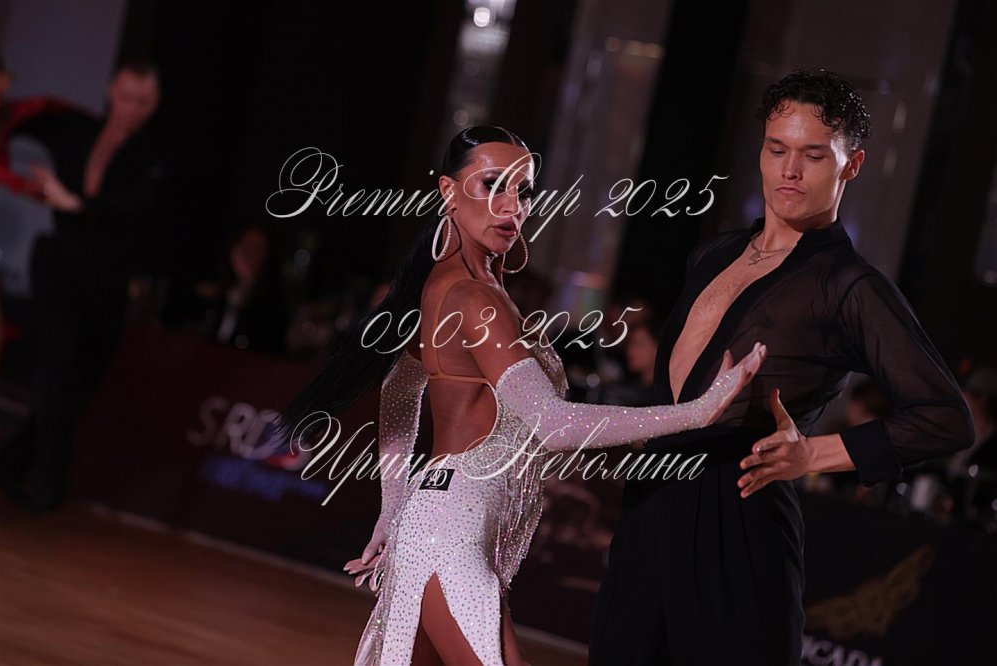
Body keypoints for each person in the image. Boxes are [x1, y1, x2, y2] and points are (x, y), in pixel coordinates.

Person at [280, 126, 767, 666]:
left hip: (446, 525)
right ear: (448, 191)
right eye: (492, 185)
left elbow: (399, 392)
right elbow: (551, 424)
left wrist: (392, 514)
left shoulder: (456, 287)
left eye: (524, 190)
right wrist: (697, 412)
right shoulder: (472, 299)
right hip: (448, 533)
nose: (512, 206)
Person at [588, 69, 975, 665]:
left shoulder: (849, 287)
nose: (790, 170)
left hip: (740, 517)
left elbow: (945, 417)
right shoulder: (714, 252)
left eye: (813, 155)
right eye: (777, 149)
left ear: (851, 165)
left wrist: (812, 455)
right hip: (651, 506)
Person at [0, 60, 163, 512]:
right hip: (60, 264)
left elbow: (133, 207)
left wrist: (77, 203)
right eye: (126, 97)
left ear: (154, 105)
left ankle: (11, 466)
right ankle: (47, 484)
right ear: (111, 91)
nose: (131, 109)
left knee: (76, 383)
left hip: (105, 277)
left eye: (142, 102)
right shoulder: (74, 128)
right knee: (56, 369)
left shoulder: (148, 159)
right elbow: (17, 118)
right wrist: (18, 179)